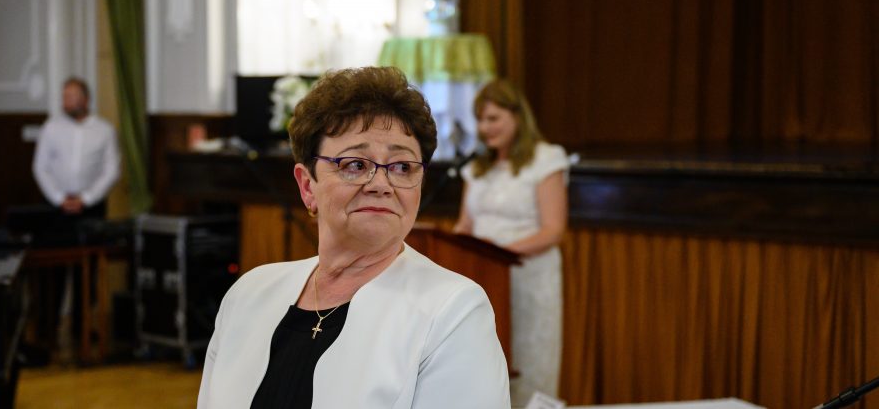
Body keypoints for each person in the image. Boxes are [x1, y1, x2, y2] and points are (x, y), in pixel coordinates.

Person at [197, 67, 510, 408]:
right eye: (356, 165)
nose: (381, 184)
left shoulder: (453, 311)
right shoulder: (248, 295)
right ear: (307, 186)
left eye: (402, 167)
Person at [453, 79, 569, 404]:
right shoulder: (477, 168)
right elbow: (465, 224)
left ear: (517, 116)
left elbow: (553, 230)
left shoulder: (545, 159)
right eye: (480, 119)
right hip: (483, 279)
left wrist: (497, 254)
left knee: (529, 363)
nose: (484, 127)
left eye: (493, 118)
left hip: (529, 279)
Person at [32, 77, 120, 220]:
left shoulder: (105, 130)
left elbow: (111, 170)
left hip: (92, 206)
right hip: (55, 205)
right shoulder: (50, 128)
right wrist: (59, 198)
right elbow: (40, 167)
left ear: (86, 99)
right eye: (64, 97)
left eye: (71, 97)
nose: (66, 102)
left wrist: (87, 198)